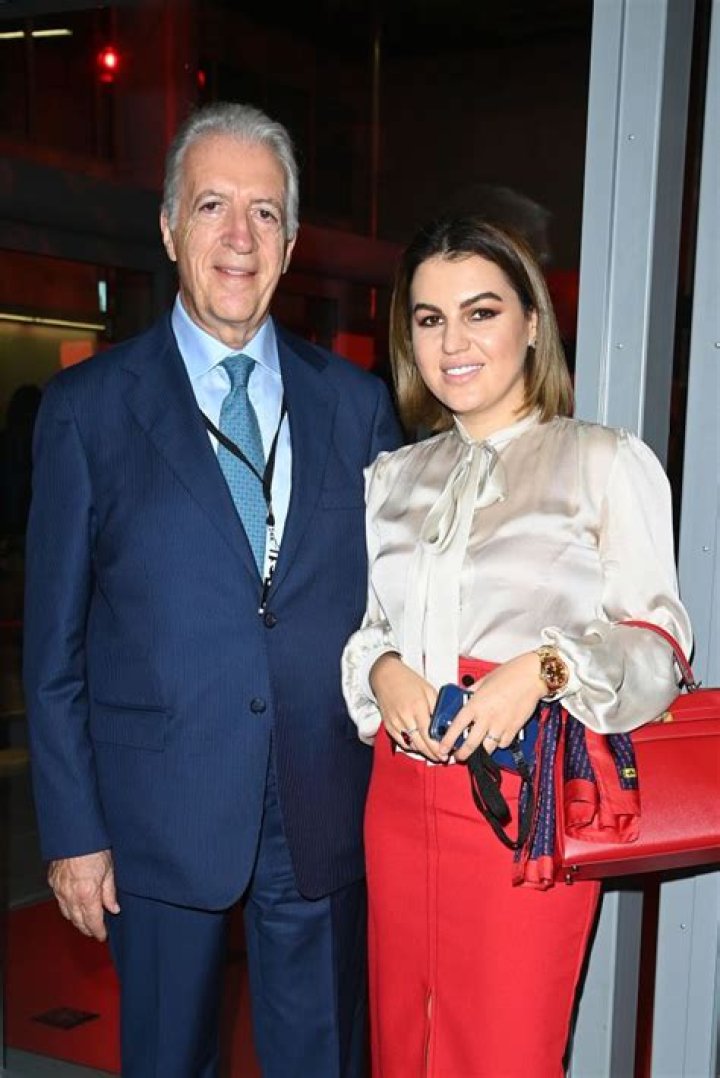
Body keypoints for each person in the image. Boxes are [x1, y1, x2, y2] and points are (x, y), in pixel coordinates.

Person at [24, 101, 401, 1078]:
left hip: (321, 802)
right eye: (212, 206)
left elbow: (399, 605)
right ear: (167, 227)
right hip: (158, 810)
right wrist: (73, 833)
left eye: (265, 212)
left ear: (291, 243)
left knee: (324, 1058)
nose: (241, 236)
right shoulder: (87, 412)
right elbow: (53, 651)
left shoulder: (356, 406)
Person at [341, 215, 692, 1077]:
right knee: (401, 1043)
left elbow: (661, 649)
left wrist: (543, 670)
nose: (452, 343)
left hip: (525, 801)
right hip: (398, 796)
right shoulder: (391, 479)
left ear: (532, 323)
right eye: (430, 319)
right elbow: (374, 625)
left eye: (481, 312)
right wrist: (382, 670)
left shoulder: (605, 463)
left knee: (506, 1050)